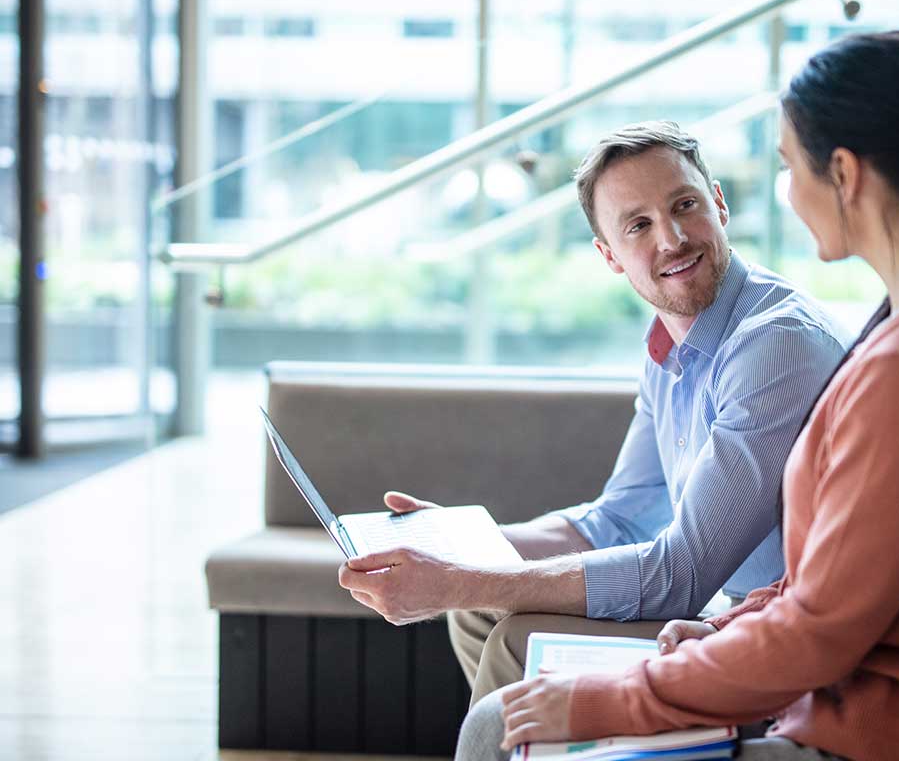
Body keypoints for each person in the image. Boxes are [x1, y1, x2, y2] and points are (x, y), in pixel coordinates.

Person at [456, 31, 899, 761]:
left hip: (882, 737)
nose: (786, 192)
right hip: (835, 701)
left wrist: (605, 698)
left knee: (498, 726)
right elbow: (831, 584)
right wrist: (731, 625)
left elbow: (819, 627)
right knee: (503, 689)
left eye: (787, 165)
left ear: (842, 173)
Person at [339, 122, 846, 704]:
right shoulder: (668, 348)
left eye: (686, 205)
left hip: (775, 625)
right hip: (721, 608)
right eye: (639, 225)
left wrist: (457, 581)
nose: (673, 238)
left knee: (508, 631)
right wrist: (458, 549)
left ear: (720, 204)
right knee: (475, 613)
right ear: (609, 255)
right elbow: (619, 521)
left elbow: (681, 575)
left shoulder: (774, 345)